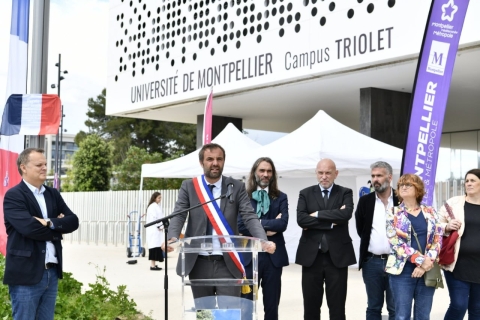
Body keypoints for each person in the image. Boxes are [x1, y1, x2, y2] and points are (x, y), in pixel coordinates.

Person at [162, 143, 276, 309]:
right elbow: (179, 214)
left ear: (223, 161)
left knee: (228, 314)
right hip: (198, 262)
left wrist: (263, 240)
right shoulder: (190, 186)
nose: (215, 163)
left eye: (219, 159)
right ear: (202, 162)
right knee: (204, 314)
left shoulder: (235, 186)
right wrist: (172, 237)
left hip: (228, 262)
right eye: (210, 159)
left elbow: (249, 216)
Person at [3, 148, 79, 319]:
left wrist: (49, 222)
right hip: (25, 274)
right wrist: (58, 230)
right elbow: (29, 228)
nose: (44, 167)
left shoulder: (52, 194)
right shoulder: (14, 196)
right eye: (39, 165)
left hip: (50, 273)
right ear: (23, 167)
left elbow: (73, 221)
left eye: (45, 164)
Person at [295, 158, 356, 320]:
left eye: (328, 173)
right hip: (311, 258)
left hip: (337, 258)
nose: (324, 176)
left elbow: (345, 215)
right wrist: (331, 222)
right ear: (316, 174)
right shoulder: (305, 193)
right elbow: (301, 220)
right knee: (311, 307)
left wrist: (316, 215)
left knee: (337, 308)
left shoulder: (345, 192)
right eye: (320, 173)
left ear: (336, 174)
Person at [385, 174, 442, 320]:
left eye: (408, 184)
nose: (403, 187)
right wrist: (419, 260)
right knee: (402, 316)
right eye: (401, 185)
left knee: (423, 316)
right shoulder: (393, 212)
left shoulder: (431, 212)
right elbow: (395, 242)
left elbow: (438, 239)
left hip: (427, 269)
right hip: (402, 271)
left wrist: (425, 264)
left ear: (418, 189)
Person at [238, 157, 289, 320]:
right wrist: (268, 226)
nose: (265, 174)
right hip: (249, 257)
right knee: (245, 306)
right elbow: (241, 225)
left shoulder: (281, 197)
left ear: (273, 174)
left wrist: (255, 224)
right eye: (262, 170)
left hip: (274, 257)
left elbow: (282, 224)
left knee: (272, 306)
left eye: (269, 171)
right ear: (255, 173)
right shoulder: (244, 196)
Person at [355, 161, 399, 320]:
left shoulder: (401, 199)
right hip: (372, 263)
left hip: (396, 262)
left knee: (396, 308)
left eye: (379, 175)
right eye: (373, 176)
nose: (375, 179)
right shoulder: (365, 201)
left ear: (389, 177)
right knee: (373, 307)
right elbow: (362, 230)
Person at [439, 168, 480, 320]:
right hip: (457, 264)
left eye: (473, 180)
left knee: (477, 309)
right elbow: (436, 224)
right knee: (459, 305)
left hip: (478, 266)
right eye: (467, 181)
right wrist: (447, 226)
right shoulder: (454, 203)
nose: (468, 184)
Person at [145, 192, 164, 271]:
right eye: (159, 198)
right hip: (154, 229)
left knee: (156, 247)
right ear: (154, 198)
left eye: (160, 198)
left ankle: (154, 264)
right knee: (153, 247)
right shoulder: (153, 206)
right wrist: (159, 225)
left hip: (156, 230)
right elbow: (154, 218)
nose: (160, 199)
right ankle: (152, 265)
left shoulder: (156, 206)